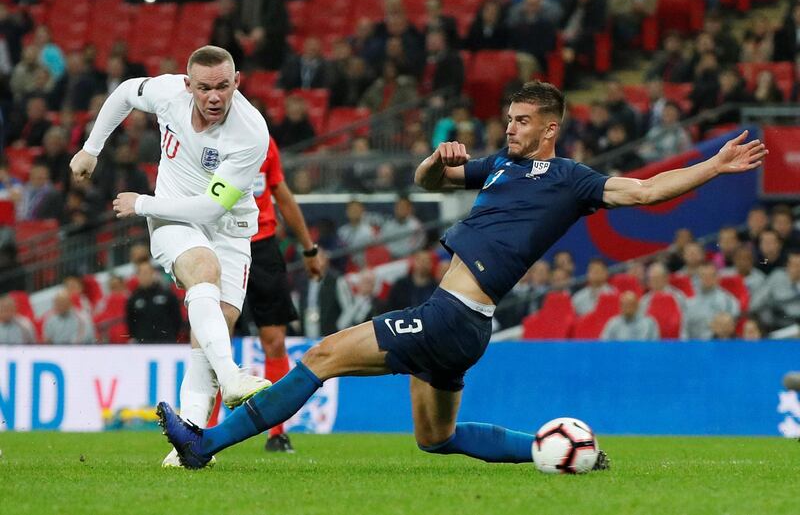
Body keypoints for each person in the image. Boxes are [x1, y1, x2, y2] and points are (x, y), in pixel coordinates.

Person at [157, 80, 766, 470]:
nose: (511, 127)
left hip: (450, 316)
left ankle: (202, 446)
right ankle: (552, 449)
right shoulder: (500, 166)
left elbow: (647, 189)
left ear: (550, 129)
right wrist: (435, 160)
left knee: (320, 355)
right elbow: (427, 182)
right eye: (509, 118)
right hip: (465, 323)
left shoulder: (572, 179)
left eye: (523, 121)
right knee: (435, 439)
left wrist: (712, 165)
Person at [68, 45, 271, 467]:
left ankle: (190, 447)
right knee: (204, 271)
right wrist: (92, 148)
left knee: (216, 325)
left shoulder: (250, 131)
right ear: (187, 85)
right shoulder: (167, 94)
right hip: (171, 216)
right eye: (204, 88)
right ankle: (233, 377)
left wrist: (141, 203)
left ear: (237, 82)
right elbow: (124, 91)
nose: (214, 97)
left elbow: (213, 208)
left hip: (229, 226)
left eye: (223, 86)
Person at [246, 138, 322, 453]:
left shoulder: (262, 141)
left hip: (262, 247)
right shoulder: (202, 138)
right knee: (212, 339)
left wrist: (309, 247)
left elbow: (282, 194)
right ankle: (201, 429)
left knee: (275, 341)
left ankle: (276, 433)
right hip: (219, 245)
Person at [126, 261, 183, 344]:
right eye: (141, 273)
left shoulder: (167, 295)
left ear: (153, 273)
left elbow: (177, 318)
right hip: (143, 344)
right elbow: (130, 322)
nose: (144, 276)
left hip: (166, 343)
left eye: (147, 273)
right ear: (137, 276)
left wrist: (171, 335)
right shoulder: (133, 299)